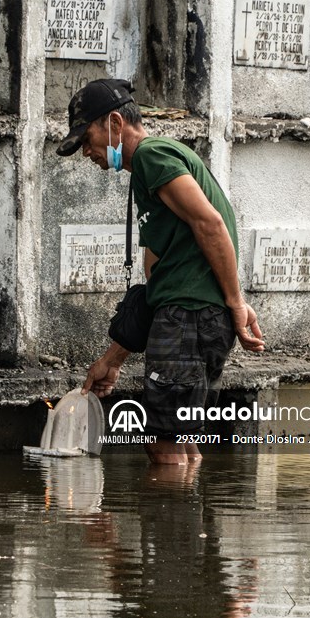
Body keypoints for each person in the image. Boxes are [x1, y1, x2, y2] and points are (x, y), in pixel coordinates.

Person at [58, 79, 265, 465]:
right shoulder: (154, 168)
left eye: (87, 138)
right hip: (195, 317)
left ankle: (169, 523)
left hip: (190, 319)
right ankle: (186, 522)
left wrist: (236, 303)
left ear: (115, 124)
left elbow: (211, 225)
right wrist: (114, 358)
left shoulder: (153, 156)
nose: (87, 152)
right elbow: (160, 281)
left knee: (164, 443)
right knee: (183, 440)